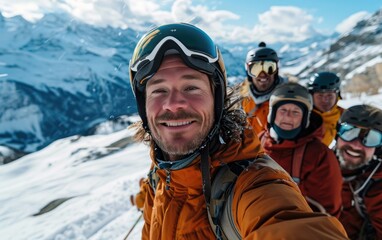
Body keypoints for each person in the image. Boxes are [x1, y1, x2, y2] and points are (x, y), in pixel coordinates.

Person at [129, 22, 348, 239]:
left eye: (191, 87)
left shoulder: (249, 185)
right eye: (158, 90)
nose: (174, 103)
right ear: (143, 105)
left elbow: (280, 217)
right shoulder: (160, 175)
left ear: (217, 99)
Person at [260, 82, 343, 217]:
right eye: (283, 110)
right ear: (272, 114)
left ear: (305, 119)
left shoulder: (319, 156)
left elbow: (328, 212)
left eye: (295, 112)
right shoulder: (258, 142)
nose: (288, 117)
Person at [335, 104, 382, 239]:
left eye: (371, 138)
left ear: (378, 148)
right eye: (349, 132)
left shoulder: (377, 186)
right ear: (337, 134)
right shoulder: (319, 163)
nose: (356, 145)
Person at [241, 42, 287, 135]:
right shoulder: (241, 99)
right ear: (248, 72)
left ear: (276, 71)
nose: (262, 74)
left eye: (269, 68)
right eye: (255, 69)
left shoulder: (288, 100)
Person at [307, 72, 345, 147]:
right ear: (311, 97)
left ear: (337, 95)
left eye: (329, 95)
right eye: (320, 95)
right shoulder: (303, 119)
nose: (325, 100)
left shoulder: (346, 117)